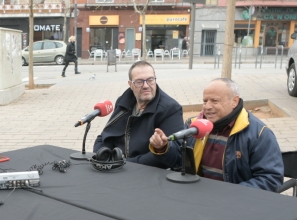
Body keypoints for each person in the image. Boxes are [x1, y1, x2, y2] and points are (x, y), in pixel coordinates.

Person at [149, 78, 284, 191]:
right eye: (205, 101)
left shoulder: (259, 133)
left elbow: (270, 179)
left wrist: (229, 194)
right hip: (196, 195)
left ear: (234, 101)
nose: (207, 107)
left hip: (235, 204)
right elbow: (178, 162)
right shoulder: (194, 125)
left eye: (215, 101)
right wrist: (163, 148)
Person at [93, 61, 185, 168]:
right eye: (139, 82)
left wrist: (162, 148)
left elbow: (176, 155)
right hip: (116, 167)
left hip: (146, 173)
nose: (146, 86)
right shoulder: (123, 102)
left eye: (150, 80)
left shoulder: (170, 109)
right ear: (131, 85)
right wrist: (100, 156)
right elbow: (104, 136)